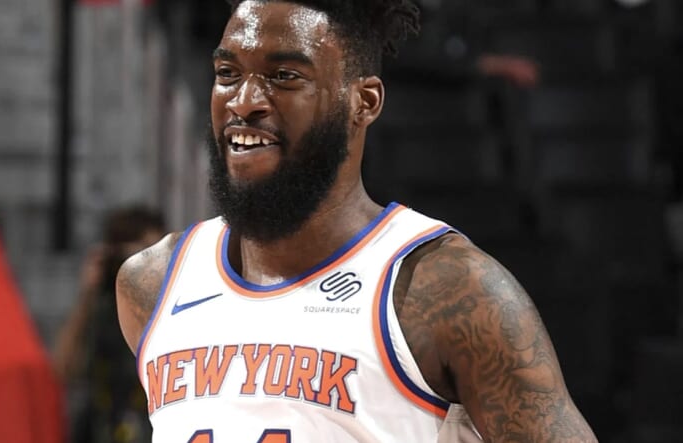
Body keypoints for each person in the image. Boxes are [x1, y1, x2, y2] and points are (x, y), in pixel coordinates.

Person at [115, 1, 597, 441]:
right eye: (227, 73)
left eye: (284, 76)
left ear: (363, 102)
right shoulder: (152, 283)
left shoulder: (449, 291)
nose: (244, 101)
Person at [54, 207, 165, 443]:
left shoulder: (170, 308)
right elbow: (63, 369)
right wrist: (87, 294)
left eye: (154, 254)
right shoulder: (101, 308)